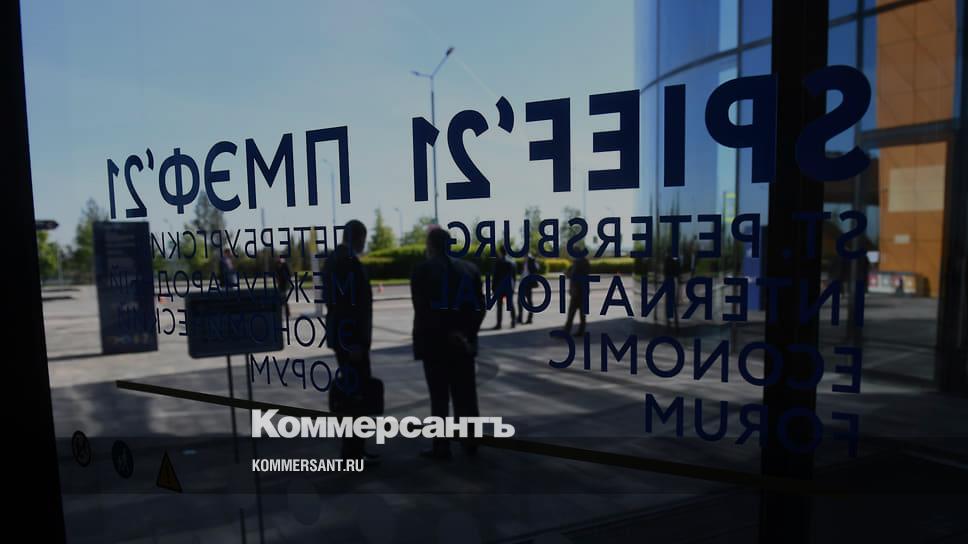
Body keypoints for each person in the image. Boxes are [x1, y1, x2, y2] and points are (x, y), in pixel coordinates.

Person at [411, 227, 486, 460]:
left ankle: (441, 447)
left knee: (439, 398)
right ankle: (470, 441)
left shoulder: (422, 271)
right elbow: (479, 307)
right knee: (466, 395)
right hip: (463, 344)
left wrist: (445, 333)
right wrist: (465, 334)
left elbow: (423, 310)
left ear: (430, 245)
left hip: (435, 345)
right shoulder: (470, 269)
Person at [322, 220, 377, 462]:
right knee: (356, 395)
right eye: (364, 239)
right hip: (351, 340)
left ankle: (353, 450)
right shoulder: (348, 262)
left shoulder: (333, 260)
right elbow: (351, 307)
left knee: (351, 393)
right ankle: (354, 451)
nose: (365, 244)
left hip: (342, 336)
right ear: (359, 238)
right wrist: (355, 342)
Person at [563, 251, 590, 337]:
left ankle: (568, 331)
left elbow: (571, 275)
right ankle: (580, 331)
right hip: (581, 291)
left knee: (572, 313)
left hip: (578, 292)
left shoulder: (578, 263)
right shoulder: (583, 262)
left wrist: (568, 273)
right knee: (580, 313)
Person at [492, 246, 516, 329]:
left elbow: (495, 276)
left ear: (500, 252)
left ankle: (499, 324)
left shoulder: (498, 262)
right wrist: (514, 286)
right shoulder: (512, 262)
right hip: (509, 286)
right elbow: (514, 277)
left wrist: (493, 287)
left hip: (500, 286)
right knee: (511, 304)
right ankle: (513, 322)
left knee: (499, 306)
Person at [517, 252, 540, 325]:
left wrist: (534, 261)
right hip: (522, 283)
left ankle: (530, 319)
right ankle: (520, 318)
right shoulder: (524, 261)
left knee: (529, 302)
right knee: (519, 301)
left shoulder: (532, 260)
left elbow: (536, 268)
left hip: (528, 284)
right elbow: (522, 271)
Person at [275, 256, 292, 321]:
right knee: (283, 299)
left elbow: (289, 274)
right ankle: (286, 313)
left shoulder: (285, 265)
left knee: (283, 299)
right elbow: (277, 274)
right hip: (280, 285)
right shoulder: (277, 265)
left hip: (284, 284)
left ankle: (287, 313)